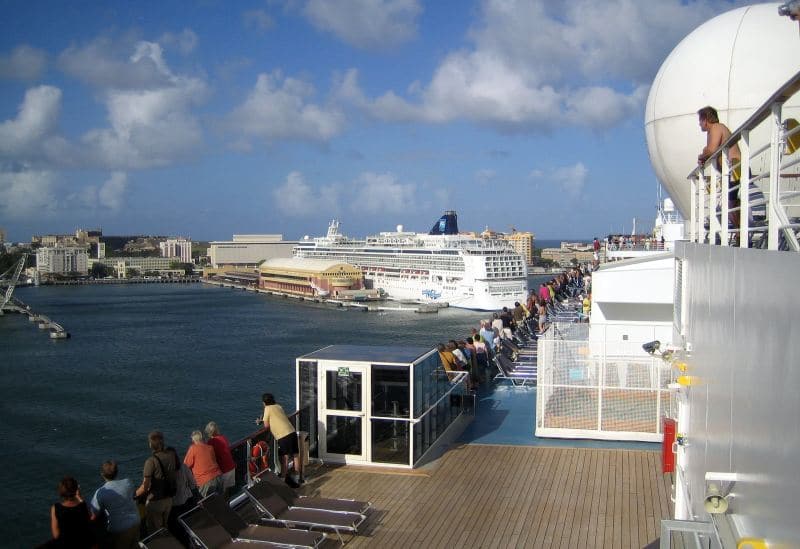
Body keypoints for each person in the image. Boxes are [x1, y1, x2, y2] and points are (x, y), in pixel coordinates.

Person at [697, 106, 742, 228]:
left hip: (734, 169)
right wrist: (705, 153)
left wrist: (702, 154)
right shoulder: (714, 130)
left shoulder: (716, 128)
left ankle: (741, 234)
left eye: (700, 120)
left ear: (706, 119)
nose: (699, 124)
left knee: (729, 204)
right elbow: (711, 151)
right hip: (732, 170)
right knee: (731, 203)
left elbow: (711, 150)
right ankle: (740, 233)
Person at [134, 431, 177, 536]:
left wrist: (134, 495)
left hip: (156, 501)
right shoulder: (172, 455)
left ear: (150, 444)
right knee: (165, 526)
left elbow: (145, 486)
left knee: (155, 532)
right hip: (169, 499)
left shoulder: (151, 461)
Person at [89, 461, 140, 549]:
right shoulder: (128, 482)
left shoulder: (101, 492)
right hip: (136, 521)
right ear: (117, 472)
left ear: (102, 474)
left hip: (120, 529)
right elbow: (134, 494)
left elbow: (93, 514)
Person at [259, 393, 303, 487]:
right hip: (291, 431)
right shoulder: (278, 406)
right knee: (295, 455)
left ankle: (283, 479)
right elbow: (280, 417)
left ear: (264, 402)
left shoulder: (267, 408)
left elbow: (266, 426)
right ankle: (297, 477)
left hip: (283, 435)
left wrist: (261, 422)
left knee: (285, 457)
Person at [48, 476, 94, 548]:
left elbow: (56, 535)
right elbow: (91, 517)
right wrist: (79, 497)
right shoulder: (83, 506)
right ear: (76, 490)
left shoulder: (56, 508)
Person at [167, 451, 199, 548]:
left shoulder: (166, 472)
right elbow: (193, 484)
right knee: (189, 527)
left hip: (173, 506)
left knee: (177, 531)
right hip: (187, 502)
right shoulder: (184, 467)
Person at [183, 430, 223, 497]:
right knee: (219, 501)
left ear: (194, 440)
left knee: (206, 503)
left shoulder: (193, 448)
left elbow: (185, 465)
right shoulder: (210, 448)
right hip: (218, 477)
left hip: (205, 481)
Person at [205, 421, 236, 497]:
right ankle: (227, 505)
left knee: (221, 492)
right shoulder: (223, 437)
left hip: (223, 470)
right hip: (231, 466)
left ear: (209, 432)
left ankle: (223, 507)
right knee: (227, 491)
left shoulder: (211, 442)